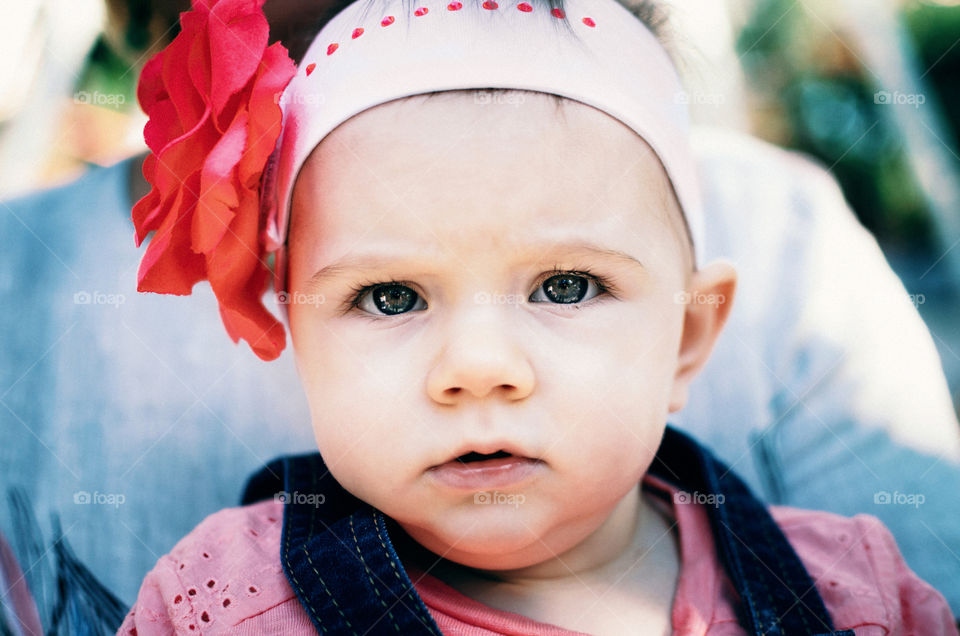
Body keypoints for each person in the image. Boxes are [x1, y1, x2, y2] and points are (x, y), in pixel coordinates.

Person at [111, 0, 958, 633]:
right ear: (301, 340)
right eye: (390, 297)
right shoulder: (223, 602)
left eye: (567, 287)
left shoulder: (857, 593)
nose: (478, 366)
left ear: (689, 337)